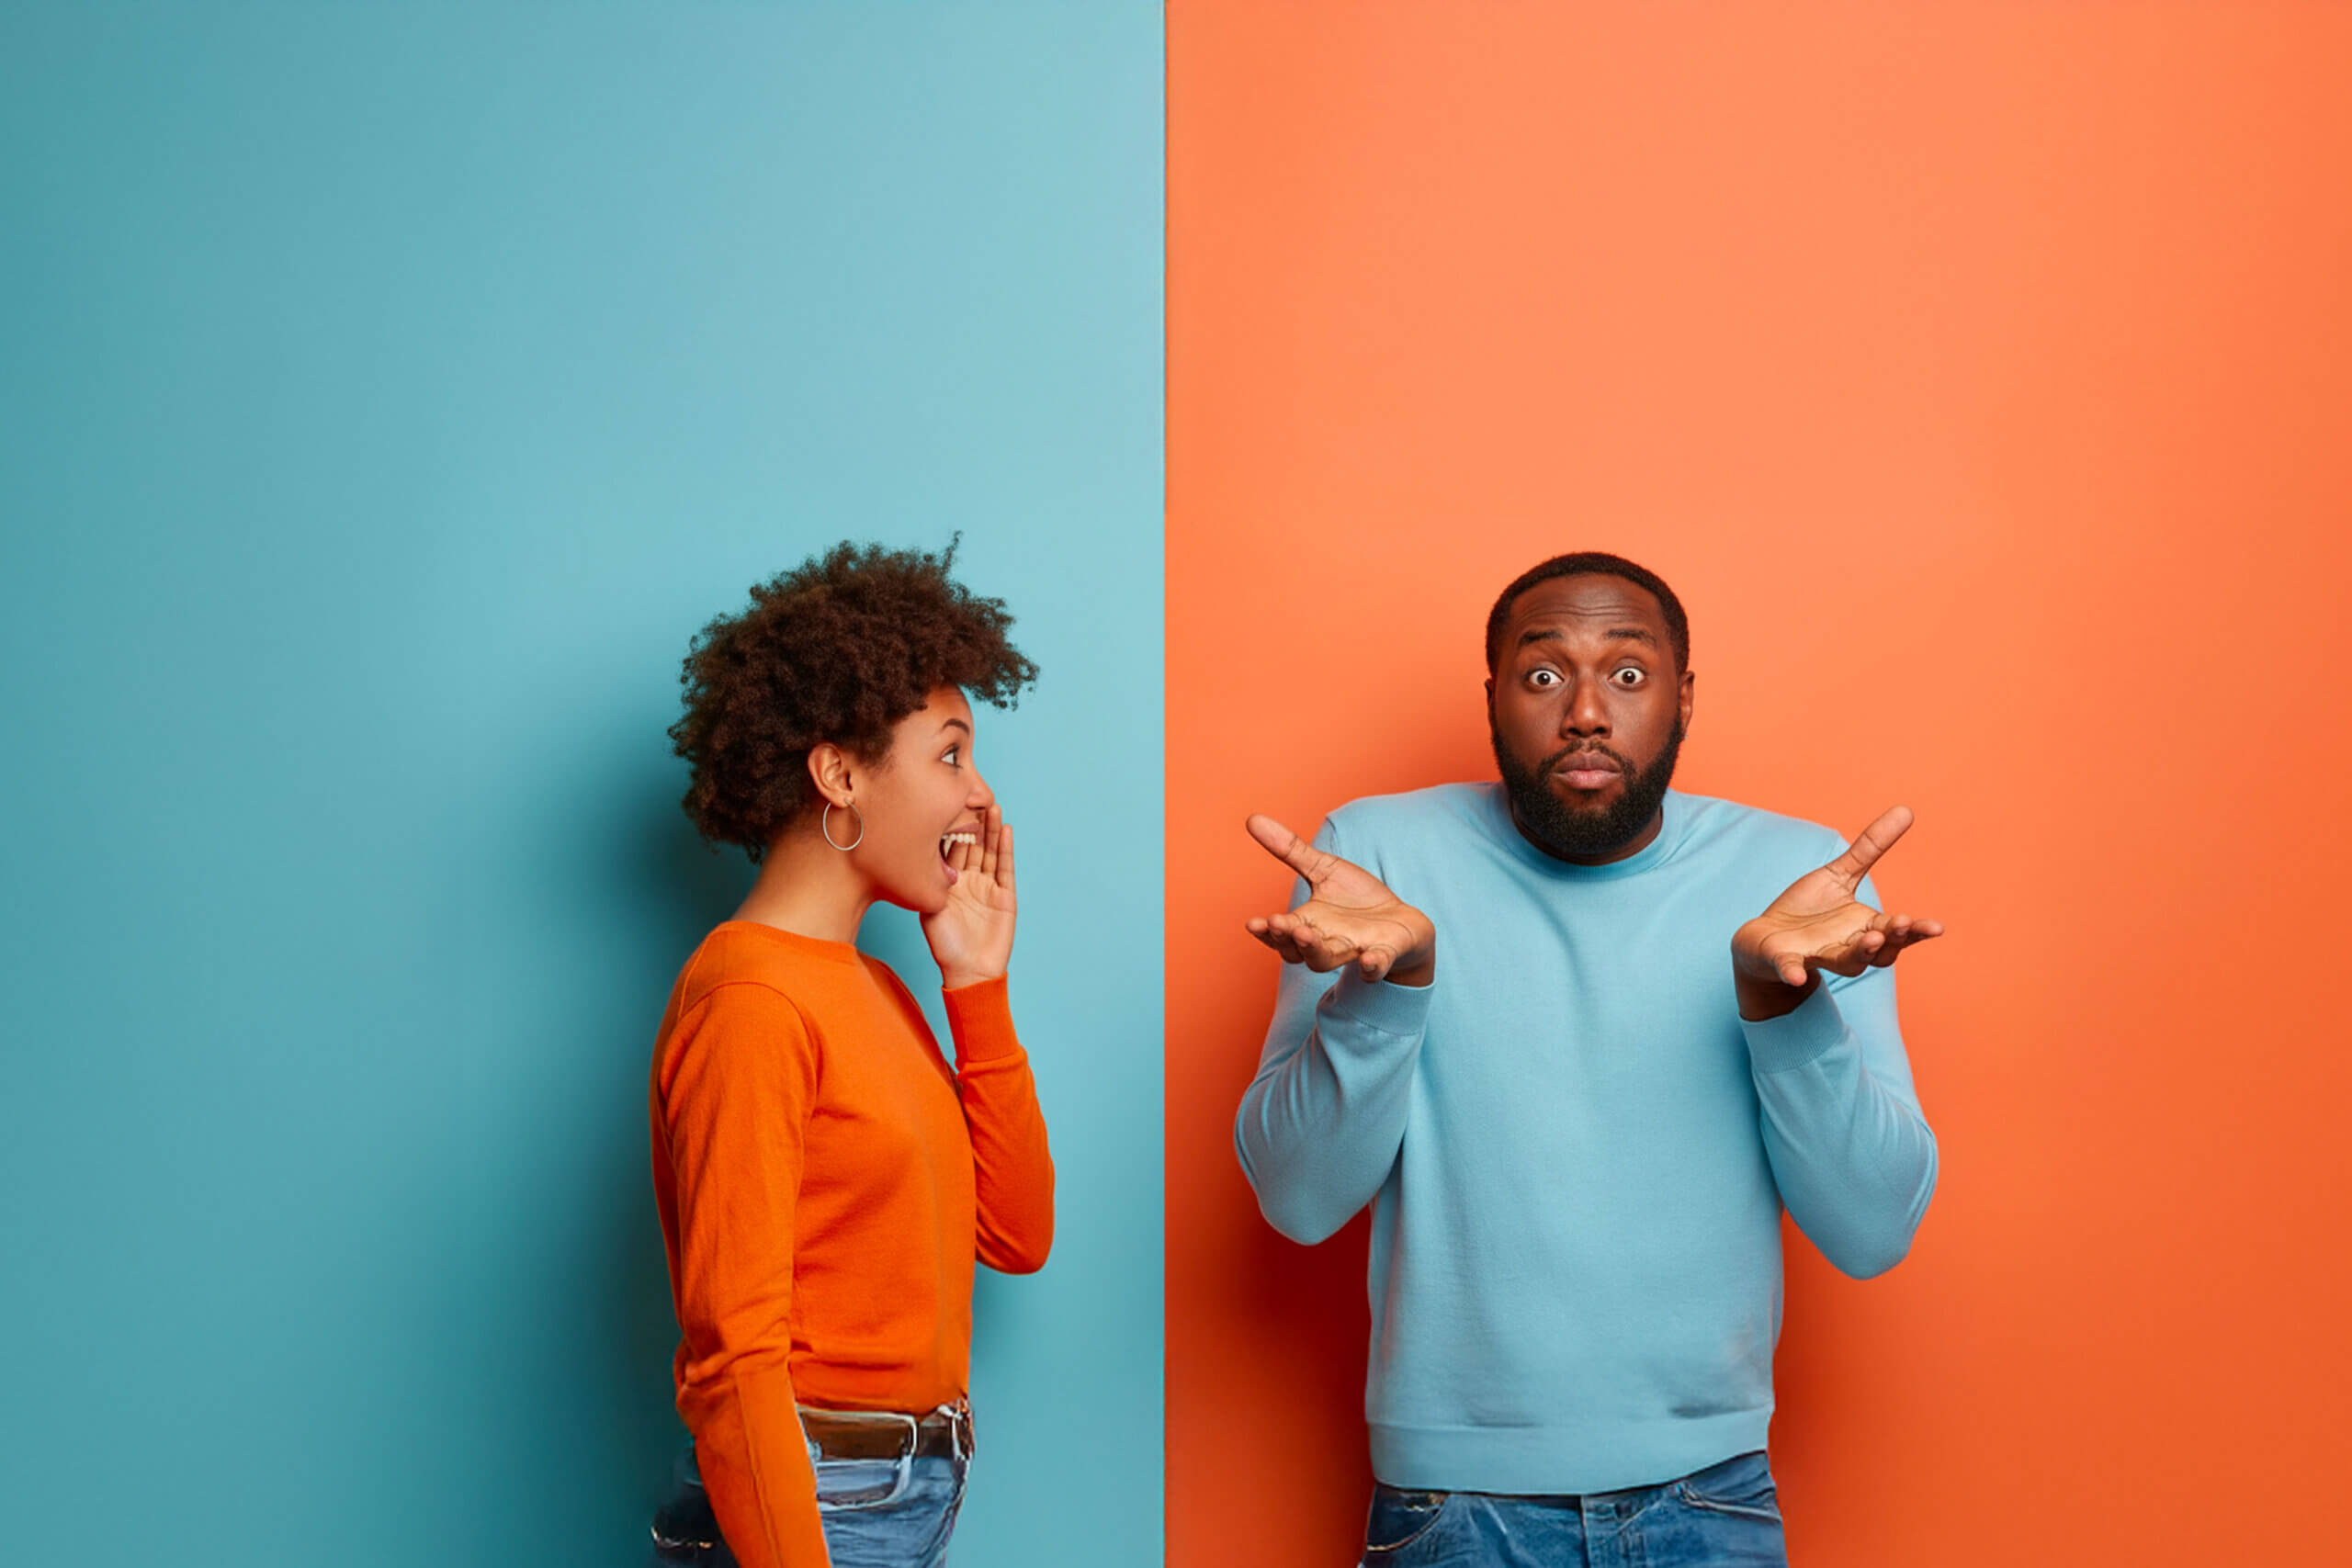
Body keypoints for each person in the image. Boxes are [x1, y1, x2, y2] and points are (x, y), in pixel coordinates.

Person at [1235, 550, 1940, 1567]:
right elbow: (1298, 1201)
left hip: (1713, 1497)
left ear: (1682, 698)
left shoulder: (1800, 884)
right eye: (1541, 674)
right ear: (1493, 698)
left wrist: (1778, 1006)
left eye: (1626, 672)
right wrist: (1389, 987)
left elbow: (1874, 1228)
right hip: (1453, 1503)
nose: (1584, 714)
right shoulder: (1374, 861)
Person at [647, 540, 1055, 1568]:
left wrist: (976, 986)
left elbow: (1016, 1234)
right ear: (838, 772)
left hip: (898, 1494)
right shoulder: (751, 998)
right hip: (821, 1508)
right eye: (951, 753)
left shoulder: (873, 987)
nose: (979, 797)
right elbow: (734, 1357)